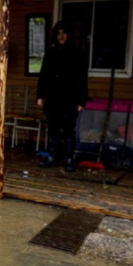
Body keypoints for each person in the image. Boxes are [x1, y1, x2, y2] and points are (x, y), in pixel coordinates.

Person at [36, 20, 89, 172]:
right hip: (52, 98)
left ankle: (69, 160)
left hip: (70, 99)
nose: (61, 36)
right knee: (52, 128)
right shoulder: (50, 53)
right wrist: (41, 95)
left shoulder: (78, 54)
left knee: (68, 130)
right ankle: (52, 158)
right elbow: (43, 76)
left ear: (69, 35)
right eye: (58, 33)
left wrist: (81, 100)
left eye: (64, 32)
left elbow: (82, 78)